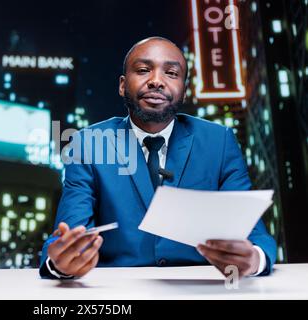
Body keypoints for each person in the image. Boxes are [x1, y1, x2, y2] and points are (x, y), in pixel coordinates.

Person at [39, 36, 277, 279]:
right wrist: (60, 263)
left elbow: (255, 236)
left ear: (184, 90)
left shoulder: (220, 141)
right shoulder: (88, 143)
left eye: (171, 73)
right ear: (122, 85)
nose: (156, 81)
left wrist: (253, 259)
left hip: (199, 291)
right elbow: (67, 237)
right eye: (143, 70)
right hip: (118, 292)